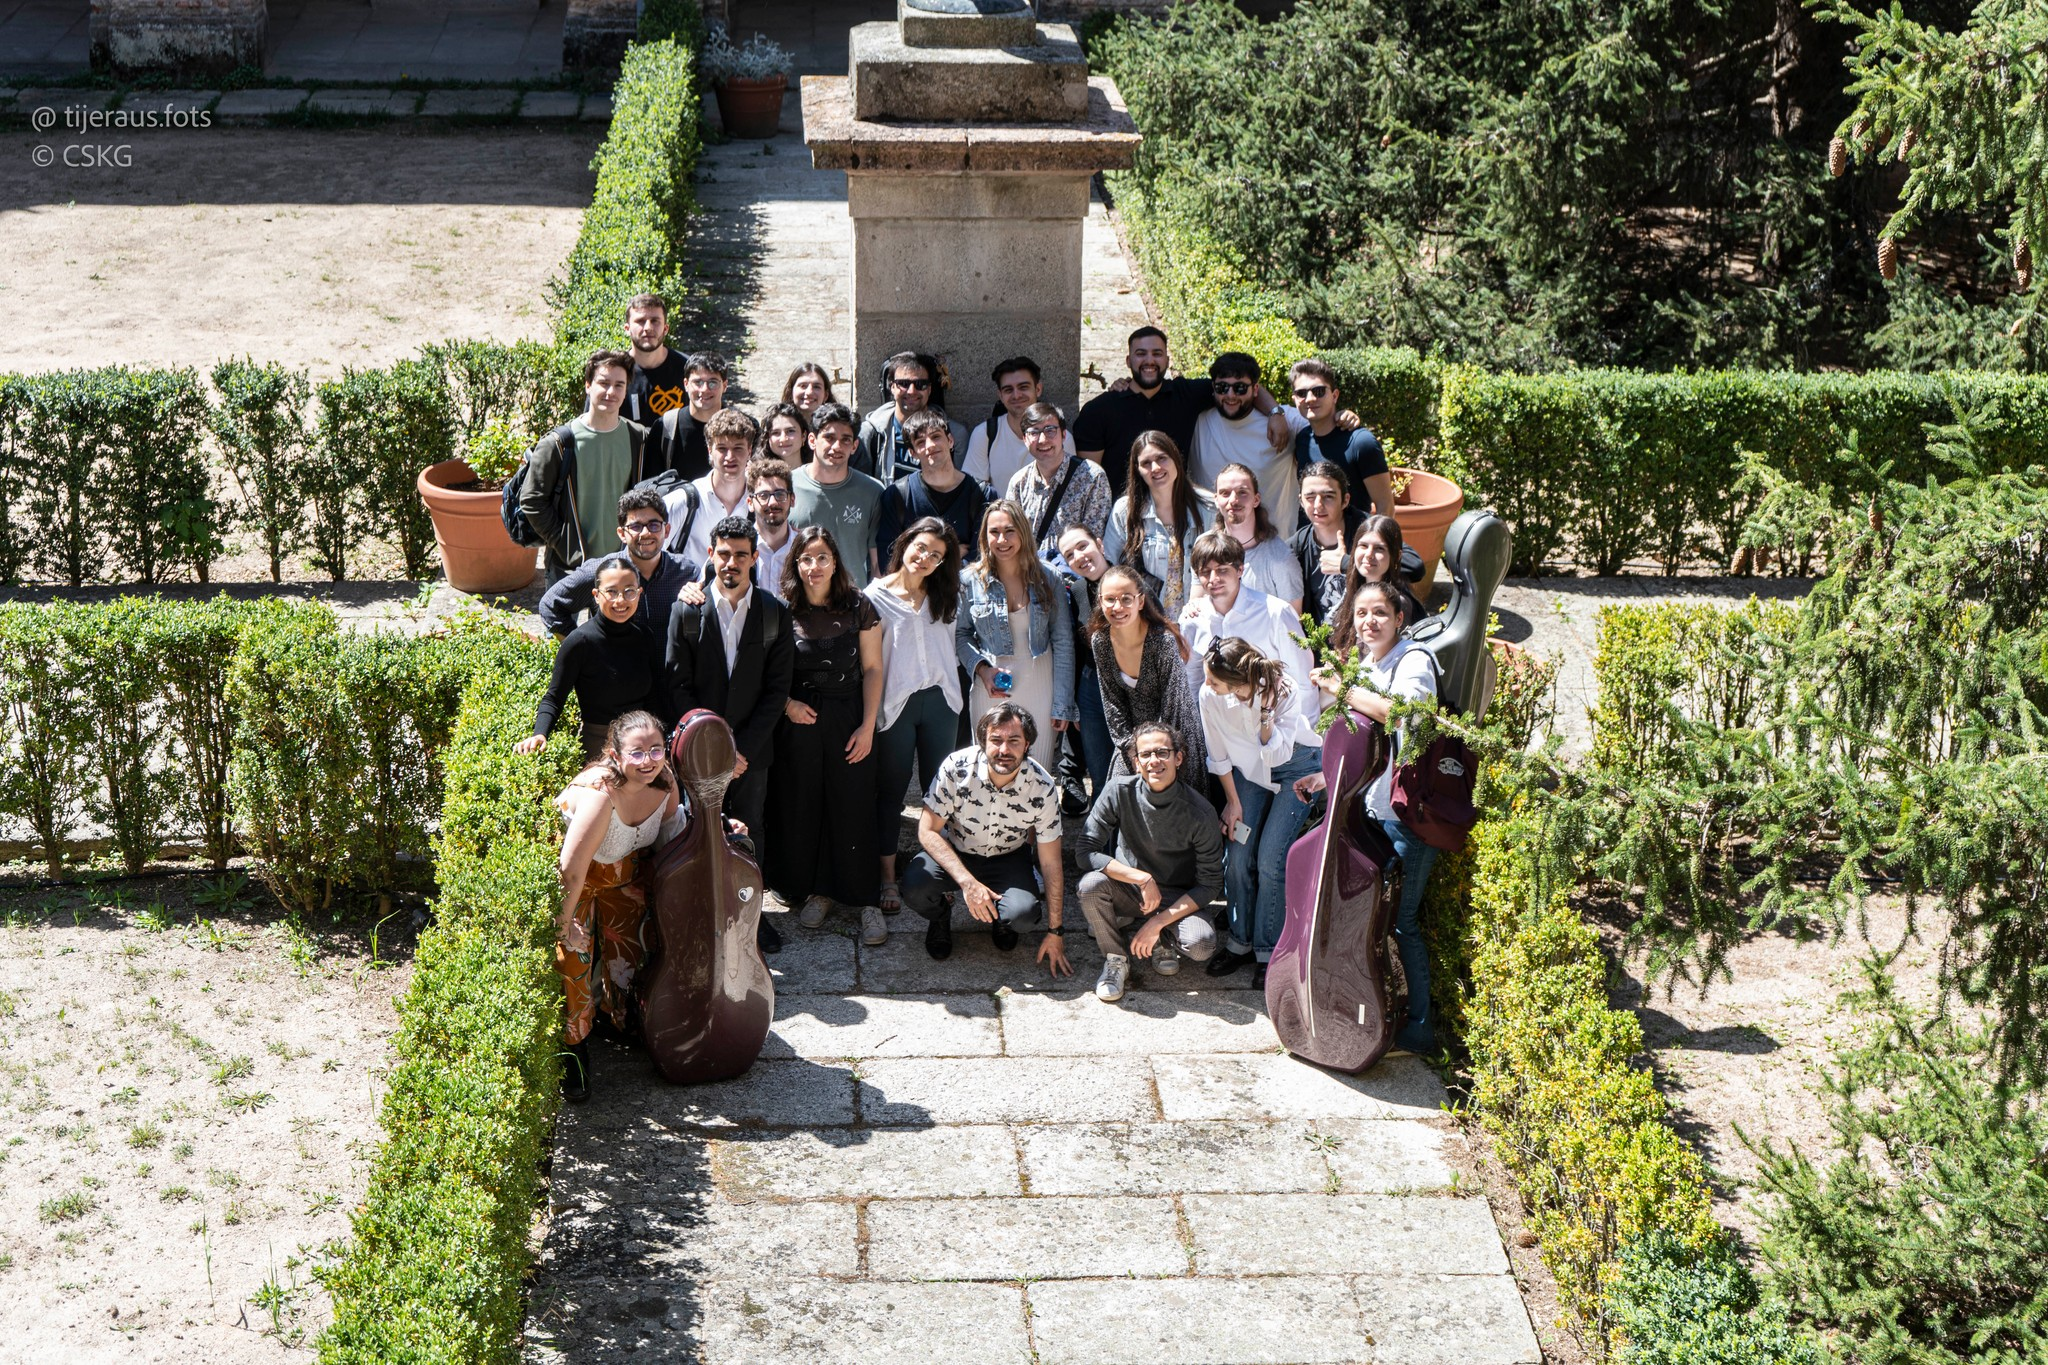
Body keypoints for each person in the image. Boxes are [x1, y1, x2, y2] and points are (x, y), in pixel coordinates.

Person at [1306, 579, 1442, 1055]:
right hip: (1368, 809)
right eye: (1361, 613)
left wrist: (1342, 688)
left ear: (1400, 618)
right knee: (1371, 920)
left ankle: (1419, 1029)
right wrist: (1325, 779)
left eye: (1380, 613)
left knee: (1402, 922)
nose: (1369, 622)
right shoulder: (1368, 665)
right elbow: (1363, 743)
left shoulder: (1414, 661)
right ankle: (1376, 1012)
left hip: (1405, 815)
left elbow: (1402, 715)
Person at [666, 516, 796, 950]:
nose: (732, 562)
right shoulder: (688, 610)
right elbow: (677, 685)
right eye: (724, 553)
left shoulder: (774, 613)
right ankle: (704, 914)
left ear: (755, 558)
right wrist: (710, 749)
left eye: (741, 554)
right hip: (699, 754)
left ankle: (752, 917)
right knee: (699, 830)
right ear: (710, 554)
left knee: (751, 829)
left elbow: (776, 691)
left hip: (750, 755)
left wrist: (742, 750)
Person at [767, 526, 888, 946]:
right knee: (805, 803)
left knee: (853, 800)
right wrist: (787, 705)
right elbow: (767, 672)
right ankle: (818, 891)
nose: (814, 566)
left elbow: (873, 668)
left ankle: (866, 899)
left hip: (849, 716)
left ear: (835, 562)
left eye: (822, 557)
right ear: (795, 564)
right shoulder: (782, 609)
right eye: (806, 558)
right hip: (798, 720)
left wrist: (868, 726)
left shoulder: (859, 605)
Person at [551, 709, 680, 1102]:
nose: (648, 760)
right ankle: (573, 1049)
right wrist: (563, 924)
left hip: (624, 876)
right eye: (636, 753)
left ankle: (619, 1019)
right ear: (614, 754)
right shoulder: (599, 794)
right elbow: (570, 871)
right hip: (575, 881)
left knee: (644, 942)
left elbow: (673, 840)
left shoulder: (665, 781)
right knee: (572, 957)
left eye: (655, 749)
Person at [903, 702, 1071, 975]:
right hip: (958, 850)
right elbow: (927, 830)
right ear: (982, 741)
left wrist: (1056, 931)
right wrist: (967, 883)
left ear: (1027, 744)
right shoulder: (956, 767)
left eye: (1014, 740)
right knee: (914, 887)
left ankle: (1001, 917)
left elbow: (1051, 862)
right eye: (996, 740)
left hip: (1009, 856)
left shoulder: (1042, 786)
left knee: (1024, 916)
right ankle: (941, 915)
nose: (1004, 750)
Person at [1199, 636, 1322, 983]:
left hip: (1296, 770)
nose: (1206, 684)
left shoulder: (1284, 690)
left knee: (1270, 860)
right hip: (1249, 774)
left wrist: (1266, 713)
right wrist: (1232, 802)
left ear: (1236, 680)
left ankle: (1269, 951)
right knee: (1238, 855)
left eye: (1213, 679)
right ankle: (1239, 942)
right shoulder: (1209, 696)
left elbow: (1277, 754)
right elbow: (1217, 752)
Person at [1076, 722, 1226, 1002]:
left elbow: (1210, 884)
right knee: (1090, 885)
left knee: (1201, 945)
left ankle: (1163, 937)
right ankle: (1116, 958)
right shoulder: (1118, 791)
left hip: (1177, 895)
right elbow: (1085, 850)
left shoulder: (1200, 812)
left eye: (1162, 752)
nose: (1153, 760)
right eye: (1145, 754)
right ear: (1136, 763)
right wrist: (1141, 878)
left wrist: (1158, 921)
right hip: (1130, 888)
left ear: (1178, 758)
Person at [865, 517, 965, 917]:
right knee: (890, 792)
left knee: (940, 792)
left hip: (942, 701)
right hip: (895, 704)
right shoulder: (873, 597)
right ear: (905, 543)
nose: (924, 558)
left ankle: (942, 871)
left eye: (935, 555)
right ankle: (887, 876)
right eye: (920, 547)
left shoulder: (946, 595)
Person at [1073, 326, 1289, 494]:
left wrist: (1275, 413)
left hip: (1176, 516)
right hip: (1120, 519)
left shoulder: (1186, 395)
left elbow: (1237, 385)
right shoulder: (1098, 411)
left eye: (1157, 353)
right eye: (1141, 354)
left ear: (1167, 360)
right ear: (1129, 360)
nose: (1149, 360)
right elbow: (1090, 481)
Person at [956, 499, 1075, 774]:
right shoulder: (969, 580)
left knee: (1036, 771)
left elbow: (1063, 641)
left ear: (1023, 532)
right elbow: (961, 635)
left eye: (1009, 531)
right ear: (984, 536)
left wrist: (1062, 703)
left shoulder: (1049, 577)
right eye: (994, 532)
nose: (1002, 540)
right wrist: (982, 670)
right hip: (989, 687)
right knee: (990, 770)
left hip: (1040, 684)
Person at [519, 350, 656, 587]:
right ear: (588, 386)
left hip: (620, 566)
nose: (611, 392)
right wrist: (564, 543)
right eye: (603, 383)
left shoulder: (639, 438)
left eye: (619, 385)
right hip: (568, 568)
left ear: (626, 391)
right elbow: (531, 500)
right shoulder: (559, 443)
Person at [521, 554, 671, 760]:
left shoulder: (644, 637)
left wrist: (662, 741)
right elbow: (554, 698)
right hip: (599, 747)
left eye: (629, 591)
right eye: (611, 591)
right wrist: (540, 734)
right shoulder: (579, 642)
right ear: (596, 595)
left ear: (639, 593)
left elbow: (654, 697)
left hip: (644, 746)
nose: (620, 600)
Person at [1091, 564, 1208, 787]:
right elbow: (1112, 703)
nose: (1118, 607)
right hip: (1132, 741)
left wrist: (1154, 753)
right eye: (1110, 599)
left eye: (1126, 599)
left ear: (1141, 601)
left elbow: (1173, 708)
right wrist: (1133, 750)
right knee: (1120, 790)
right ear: (1100, 602)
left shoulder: (1162, 642)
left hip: (1175, 739)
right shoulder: (1101, 641)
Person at [1177, 530, 1321, 707]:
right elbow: (1191, 682)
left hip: (1272, 720)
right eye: (1205, 572)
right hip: (1216, 722)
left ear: (1240, 570)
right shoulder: (1192, 620)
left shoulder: (1275, 613)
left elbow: (1303, 682)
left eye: (1222, 570)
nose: (1213, 579)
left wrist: (1304, 726)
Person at [538, 489, 698, 639]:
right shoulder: (600, 572)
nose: (645, 533)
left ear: (667, 530)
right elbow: (550, 605)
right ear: (621, 533)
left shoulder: (687, 573)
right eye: (636, 526)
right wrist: (580, 646)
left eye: (654, 525)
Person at [1189, 353, 1311, 537]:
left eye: (1240, 388)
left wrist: (1342, 417)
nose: (1230, 395)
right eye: (1222, 388)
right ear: (1213, 388)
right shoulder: (1197, 421)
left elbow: (1323, 423)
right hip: (1214, 547)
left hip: (1275, 545)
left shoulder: (1285, 421)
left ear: (1255, 390)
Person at [1104, 431, 1212, 618]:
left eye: (1162, 458)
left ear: (1175, 459)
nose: (1155, 468)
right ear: (1137, 469)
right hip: (1146, 621)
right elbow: (1111, 568)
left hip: (1198, 620)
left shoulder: (1208, 507)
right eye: (1146, 463)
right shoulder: (1125, 511)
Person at [1050, 524, 1116, 799]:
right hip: (1091, 687)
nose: (1079, 556)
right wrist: (1075, 702)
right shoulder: (1077, 591)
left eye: (1082, 546)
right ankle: (1104, 828)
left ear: (1099, 544)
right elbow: (1076, 648)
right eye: (1069, 555)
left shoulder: (1129, 580)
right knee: (1100, 775)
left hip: (1129, 682)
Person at [793, 402, 886, 588]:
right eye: (829, 437)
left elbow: (878, 563)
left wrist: (870, 602)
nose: (837, 446)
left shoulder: (872, 491)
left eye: (845, 440)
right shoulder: (788, 486)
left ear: (854, 446)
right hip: (798, 598)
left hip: (851, 599)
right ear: (812, 440)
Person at [878, 408, 988, 564]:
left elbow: (982, 558)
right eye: (920, 442)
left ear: (950, 440)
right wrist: (952, 554)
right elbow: (890, 559)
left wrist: (921, 558)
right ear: (912, 453)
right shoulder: (896, 496)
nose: (930, 445)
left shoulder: (983, 495)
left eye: (936, 437)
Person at [1004, 401, 1110, 559]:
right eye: (1034, 432)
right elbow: (1012, 535)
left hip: (1075, 570)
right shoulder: (1019, 483)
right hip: (1031, 570)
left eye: (1050, 430)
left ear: (1064, 435)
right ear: (1025, 439)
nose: (1042, 439)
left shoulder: (1092, 477)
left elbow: (1094, 539)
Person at [1289, 358, 1393, 517]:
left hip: (1354, 533)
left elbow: (1386, 508)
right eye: (1301, 393)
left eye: (1319, 391)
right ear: (1295, 399)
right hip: (1310, 533)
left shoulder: (1361, 443)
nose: (1310, 398)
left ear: (1335, 395)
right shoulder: (1302, 439)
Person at [963, 356, 1075, 496]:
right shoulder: (985, 434)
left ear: (1038, 389)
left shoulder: (1061, 438)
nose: (1016, 395)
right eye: (1008, 390)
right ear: (1000, 395)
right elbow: (973, 491)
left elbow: (1071, 490)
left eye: (1023, 387)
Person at [857, 351, 966, 483]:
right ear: (892, 387)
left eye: (920, 384)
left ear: (929, 389)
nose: (911, 391)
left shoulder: (954, 434)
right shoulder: (870, 435)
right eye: (903, 383)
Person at [668, 407, 757, 566]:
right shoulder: (684, 501)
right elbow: (647, 557)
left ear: (749, 451)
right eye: (722, 449)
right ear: (710, 451)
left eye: (738, 448)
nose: (730, 457)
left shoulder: (761, 500)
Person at [1213, 462, 1303, 612]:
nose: (1233, 500)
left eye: (1242, 492)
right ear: (1216, 500)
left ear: (1256, 500)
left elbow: (1293, 621)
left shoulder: (1281, 558)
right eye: (1225, 493)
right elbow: (1197, 604)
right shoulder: (1205, 547)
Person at [1330, 513, 1429, 648]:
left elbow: (1391, 657)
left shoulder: (1398, 603)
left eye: (1379, 548)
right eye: (1363, 546)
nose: (1369, 554)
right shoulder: (1354, 589)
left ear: (1397, 556)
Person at [1290, 462, 1369, 627]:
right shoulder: (1298, 545)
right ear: (1301, 501)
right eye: (1310, 497)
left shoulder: (1367, 529)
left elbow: (1414, 566)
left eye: (1328, 496)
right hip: (1320, 639)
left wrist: (1347, 564)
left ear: (1345, 500)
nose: (1318, 505)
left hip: (1367, 632)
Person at [649, 351, 730, 482]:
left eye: (713, 383)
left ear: (724, 386)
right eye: (698, 382)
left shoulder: (745, 427)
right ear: (686, 384)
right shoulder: (665, 427)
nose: (704, 389)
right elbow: (650, 484)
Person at [622, 293, 690, 428]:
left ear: (665, 329)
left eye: (655, 321)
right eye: (640, 321)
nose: (648, 327)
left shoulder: (689, 369)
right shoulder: (614, 372)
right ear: (627, 329)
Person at [746, 456, 798, 597]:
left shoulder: (805, 548)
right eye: (763, 495)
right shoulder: (736, 547)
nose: (773, 502)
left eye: (780, 494)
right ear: (750, 503)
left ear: (792, 499)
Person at [759, 402, 810, 466]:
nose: (783, 439)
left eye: (790, 431)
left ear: (803, 436)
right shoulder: (756, 471)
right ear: (767, 438)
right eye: (775, 432)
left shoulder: (817, 470)